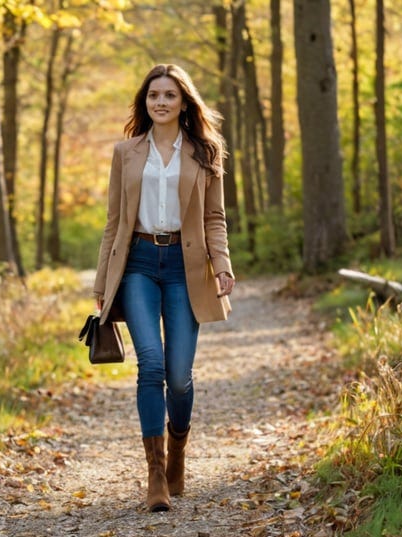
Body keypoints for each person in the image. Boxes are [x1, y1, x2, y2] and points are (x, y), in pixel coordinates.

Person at [93, 64, 235, 512]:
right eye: (153, 94)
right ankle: (155, 476)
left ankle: (178, 453)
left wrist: (223, 265)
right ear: (145, 101)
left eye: (169, 95)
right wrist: (103, 281)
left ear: (183, 102)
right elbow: (114, 221)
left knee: (178, 376)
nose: (160, 102)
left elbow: (214, 217)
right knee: (150, 365)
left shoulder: (206, 152)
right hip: (136, 263)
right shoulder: (126, 152)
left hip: (184, 265)